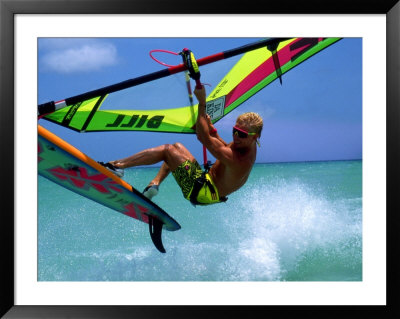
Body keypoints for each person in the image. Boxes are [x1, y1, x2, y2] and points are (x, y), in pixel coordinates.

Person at [100, 86, 263, 205]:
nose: (236, 136)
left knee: (167, 150)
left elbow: (203, 138)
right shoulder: (246, 144)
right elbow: (219, 142)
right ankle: (154, 184)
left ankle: (117, 166)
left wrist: (202, 103)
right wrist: (211, 128)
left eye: (241, 134)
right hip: (207, 185)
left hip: (203, 192)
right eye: (235, 130)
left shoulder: (238, 160)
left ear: (254, 136)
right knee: (177, 148)